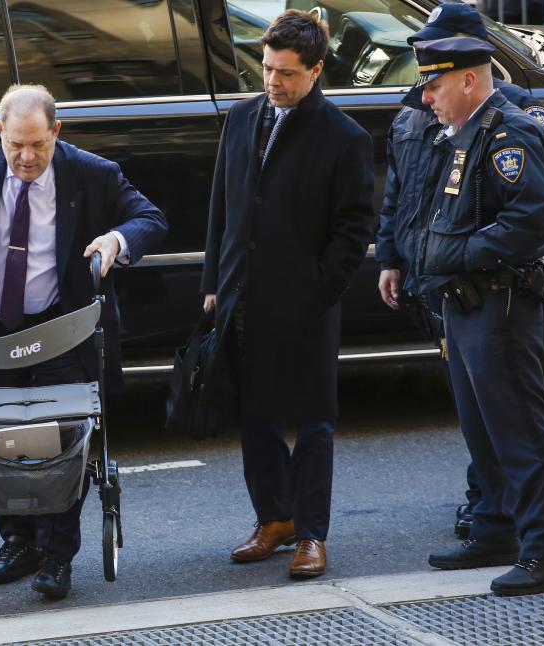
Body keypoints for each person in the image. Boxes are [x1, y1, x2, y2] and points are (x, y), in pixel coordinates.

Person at [0, 84, 167, 598]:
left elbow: (150, 219)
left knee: (58, 439)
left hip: (61, 324)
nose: (26, 157)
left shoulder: (91, 172)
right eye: (15, 144)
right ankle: (17, 541)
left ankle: (57, 555)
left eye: (38, 146)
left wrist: (116, 240)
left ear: (56, 133)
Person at [375, 2, 544, 541]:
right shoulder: (425, 111)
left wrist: (461, 254)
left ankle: (529, 539)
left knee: (512, 420)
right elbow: (405, 193)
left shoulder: (512, 118)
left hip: (491, 289)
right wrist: (394, 255)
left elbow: (538, 212)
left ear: (464, 65)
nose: (425, 93)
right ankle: (492, 518)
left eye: (433, 77)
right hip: (441, 287)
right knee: (478, 417)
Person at [201, 10, 375, 579]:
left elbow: (353, 231)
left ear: (317, 70)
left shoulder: (344, 138)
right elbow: (221, 209)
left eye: (286, 74)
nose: (272, 82)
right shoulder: (242, 117)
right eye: (267, 69)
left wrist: (316, 292)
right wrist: (212, 286)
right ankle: (273, 520)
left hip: (304, 306)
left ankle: (310, 534)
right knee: (256, 416)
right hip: (242, 298)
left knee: (313, 420)